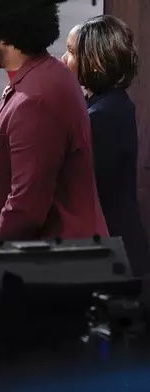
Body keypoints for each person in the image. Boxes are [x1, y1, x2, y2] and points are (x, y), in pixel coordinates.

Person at [0, 4, 108, 241]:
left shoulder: (37, 97)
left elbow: (27, 205)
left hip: (61, 259)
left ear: (4, 37)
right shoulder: (44, 75)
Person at [62, 15, 149, 276]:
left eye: (70, 51)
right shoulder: (110, 103)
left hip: (113, 253)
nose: (63, 60)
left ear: (96, 61)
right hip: (117, 246)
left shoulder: (101, 115)